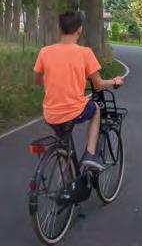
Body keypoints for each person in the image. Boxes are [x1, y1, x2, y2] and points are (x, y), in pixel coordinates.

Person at [33, 10, 124, 170]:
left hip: (50, 112)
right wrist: (115, 80)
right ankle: (90, 153)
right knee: (95, 109)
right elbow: (98, 85)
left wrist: (54, 80)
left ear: (59, 29)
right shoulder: (85, 53)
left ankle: (66, 181)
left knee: (64, 145)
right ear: (79, 30)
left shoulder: (44, 52)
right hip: (74, 111)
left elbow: (37, 80)